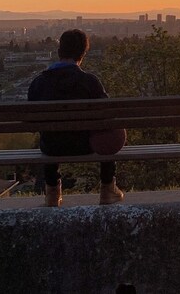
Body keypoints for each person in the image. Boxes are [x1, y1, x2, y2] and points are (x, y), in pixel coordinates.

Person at [28, 29, 124, 207]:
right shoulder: (90, 82)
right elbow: (108, 116)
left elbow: (32, 122)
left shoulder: (39, 83)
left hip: (52, 147)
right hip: (86, 145)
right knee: (109, 132)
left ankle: (52, 194)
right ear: (82, 54)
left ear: (59, 51)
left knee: (50, 133)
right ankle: (107, 189)